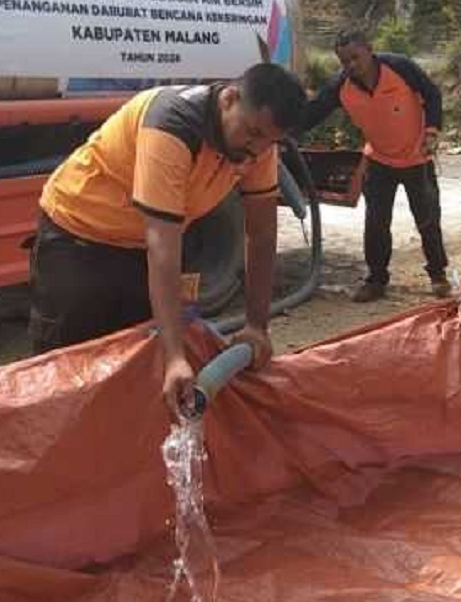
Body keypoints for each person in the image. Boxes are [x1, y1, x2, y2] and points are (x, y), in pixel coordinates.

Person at [29, 62, 308, 415]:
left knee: (138, 366)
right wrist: (175, 357)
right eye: (252, 134)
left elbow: (262, 234)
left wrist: (256, 326)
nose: (255, 150)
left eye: (269, 142)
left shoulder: (258, 145)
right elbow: (164, 248)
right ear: (230, 99)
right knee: (69, 371)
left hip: (138, 245)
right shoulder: (172, 123)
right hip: (80, 236)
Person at [303, 29, 450, 302]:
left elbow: (432, 95)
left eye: (356, 58)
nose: (351, 66)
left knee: (428, 219)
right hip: (379, 159)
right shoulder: (340, 86)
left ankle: (438, 274)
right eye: (344, 61)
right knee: (376, 223)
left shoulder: (400, 68)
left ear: (370, 50)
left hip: (417, 158)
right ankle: (376, 280)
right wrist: (283, 127)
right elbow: (313, 113)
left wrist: (431, 131)